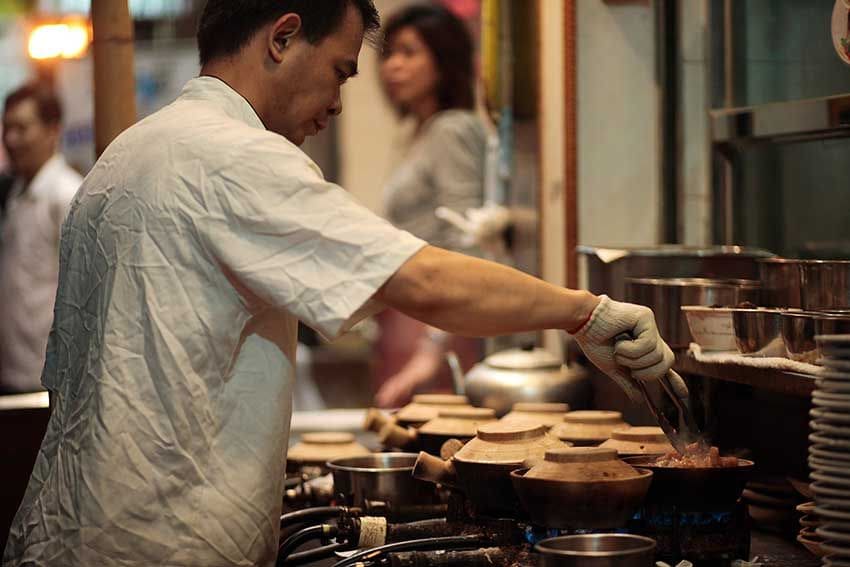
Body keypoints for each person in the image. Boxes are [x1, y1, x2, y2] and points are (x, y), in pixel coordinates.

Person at [3, 2, 678, 566]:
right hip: (159, 542)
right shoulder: (236, 157)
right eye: (339, 72)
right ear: (283, 36)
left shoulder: (133, 149)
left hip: (66, 531)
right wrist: (585, 312)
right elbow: (426, 277)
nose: (338, 104)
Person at [374, 3, 486, 407]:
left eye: (409, 52)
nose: (392, 66)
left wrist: (432, 349)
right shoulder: (420, 131)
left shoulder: (451, 129)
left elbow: (468, 241)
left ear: (444, 58)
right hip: (414, 319)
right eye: (389, 54)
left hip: (436, 324)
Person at [0, 84, 82, 394]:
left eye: (22, 128)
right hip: (15, 372)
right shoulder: (17, 193)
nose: (11, 139)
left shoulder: (66, 195)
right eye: (7, 128)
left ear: (52, 130)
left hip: (47, 380)